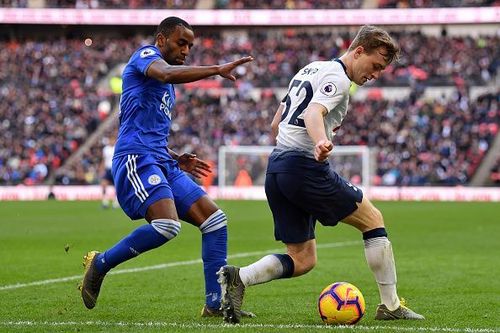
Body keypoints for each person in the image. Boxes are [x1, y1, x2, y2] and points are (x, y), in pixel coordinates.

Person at [217, 25, 424, 324]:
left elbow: (277, 122)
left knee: (303, 259)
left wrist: (300, 144)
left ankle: (239, 277)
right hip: (303, 168)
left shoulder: (310, 69)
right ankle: (390, 305)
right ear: (359, 51)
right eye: (375, 66)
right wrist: (319, 142)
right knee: (373, 220)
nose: (375, 74)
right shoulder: (338, 79)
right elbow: (313, 114)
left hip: (277, 168)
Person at [80, 16, 254, 318]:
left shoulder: (167, 87)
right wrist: (216, 69)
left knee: (215, 221)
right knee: (167, 225)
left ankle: (215, 304)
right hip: (135, 158)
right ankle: (101, 263)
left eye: (190, 45)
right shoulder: (146, 57)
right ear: (161, 40)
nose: (186, 49)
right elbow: (166, 74)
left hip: (160, 159)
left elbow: (148, 125)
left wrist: (175, 157)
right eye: (181, 42)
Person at [100, 135, 118, 209]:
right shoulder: (105, 149)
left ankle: (116, 202)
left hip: (115, 169)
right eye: (111, 140)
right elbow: (103, 159)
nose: (112, 141)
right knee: (103, 184)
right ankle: (105, 202)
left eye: (113, 140)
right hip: (107, 169)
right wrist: (101, 169)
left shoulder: (116, 148)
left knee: (116, 187)